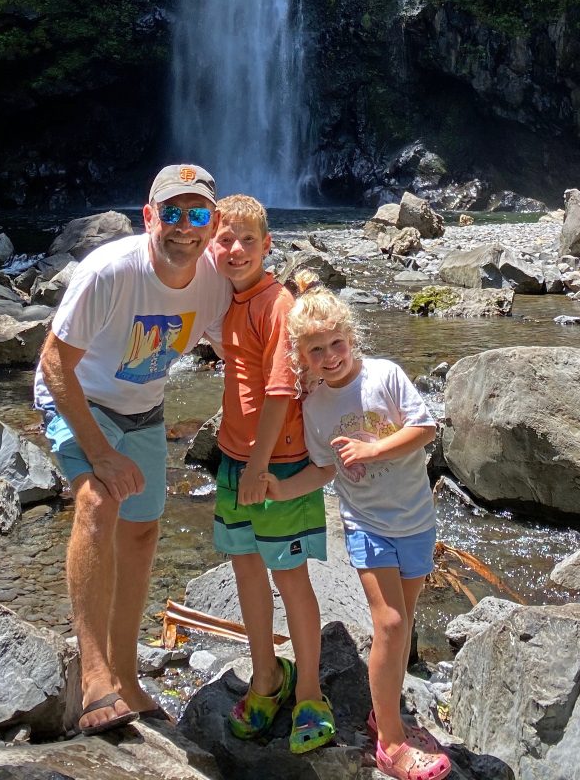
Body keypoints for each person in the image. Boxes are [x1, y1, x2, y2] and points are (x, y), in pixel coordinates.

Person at [36, 163, 231, 734]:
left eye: (197, 215)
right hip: (79, 398)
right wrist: (99, 452)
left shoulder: (215, 281)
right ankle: (95, 677)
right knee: (98, 502)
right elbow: (53, 364)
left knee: (143, 530)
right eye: (171, 213)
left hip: (145, 408)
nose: (184, 228)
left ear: (213, 222)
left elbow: (242, 345)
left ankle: (126, 672)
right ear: (149, 217)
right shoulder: (110, 271)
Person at [268, 286, 451, 780]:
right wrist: (285, 492)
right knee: (390, 623)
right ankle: (390, 740)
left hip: (415, 520)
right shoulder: (316, 407)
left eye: (335, 344)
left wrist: (373, 450)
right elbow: (324, 468)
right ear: (301, 357)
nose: (329, 357)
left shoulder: (385, 376)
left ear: (350, 337)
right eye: (315, 350)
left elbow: (425, 429)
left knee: (403, 621)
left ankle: (382, 707)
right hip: (366, 523)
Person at [209, 194, 334, 755]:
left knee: (289, 577)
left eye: (248, 241)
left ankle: (310, 689)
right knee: (246, 571)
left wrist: (260, 468)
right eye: (226, 240)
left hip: (274, 465)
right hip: (235, 461)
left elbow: (281, 392)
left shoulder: (276, 304)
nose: (235, 250)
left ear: (268, 246)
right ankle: (267, 676)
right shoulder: (229, 302)